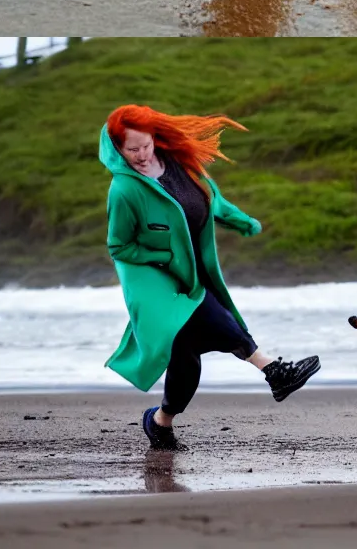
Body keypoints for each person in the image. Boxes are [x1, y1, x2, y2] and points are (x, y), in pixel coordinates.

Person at [100, 104, 320, 451]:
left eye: (145, 145)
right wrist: (166, 255)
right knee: (213, 314)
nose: (141, 155)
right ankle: (274, 371)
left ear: (154, 138)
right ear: (117, 148)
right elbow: (119, 247)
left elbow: (211, 201)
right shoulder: (124, 190)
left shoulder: (181, 165)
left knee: (186, 363)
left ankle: (159, 423)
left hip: (189, 274)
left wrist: (243, 221)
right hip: (153, 283)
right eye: (131, 149)